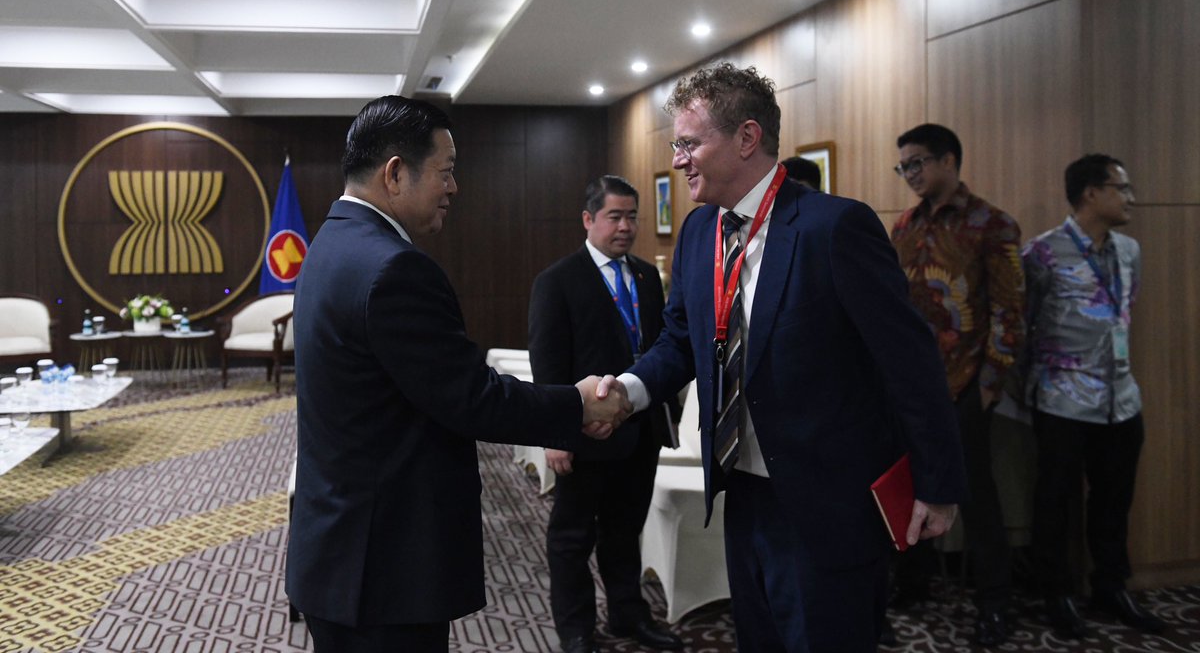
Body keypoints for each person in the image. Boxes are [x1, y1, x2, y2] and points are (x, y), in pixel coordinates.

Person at [614, 62, 968, 653]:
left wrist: (937, 485)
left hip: (827, 503)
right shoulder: (702, 233)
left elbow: (909, 364)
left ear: (747, 138)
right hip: (742, 494)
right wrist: (629, 390)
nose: (678, 159)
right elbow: (680, 340)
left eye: (689, 143)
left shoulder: (834, 229)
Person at [285, 95, 632, 653]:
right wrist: (578, 404)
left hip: (342, 549)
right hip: (383, 567)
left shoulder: (331, 243)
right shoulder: (393, 268)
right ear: (396, 173)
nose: (454, 188)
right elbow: (471, 397)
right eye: (446, 172)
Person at [529, 175, 684, 653]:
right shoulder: (557, 280)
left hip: (642, 429)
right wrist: (555, 434)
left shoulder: (643, 277)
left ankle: (627, 616)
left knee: (625, 531)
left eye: (632, 216)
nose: (625, 227)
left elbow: (661, 346)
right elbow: (549, 364)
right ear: (588, 219)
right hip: (586, 433)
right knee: (572, 537)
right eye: (615, 216)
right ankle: (575, 628)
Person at [889, 123, 1024, 646]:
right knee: (908, 488)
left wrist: (989, 385)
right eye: (904, 167)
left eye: (918, 163)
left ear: (949, 160)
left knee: (977, 497)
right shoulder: (903, 226)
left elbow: (1010, 313)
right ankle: (914, 581)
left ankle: (995, 602)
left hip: (967, 382)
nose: (911, 175)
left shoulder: (992, 224)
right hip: (911, 386)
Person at [1022, 154, 1165, 638]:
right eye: (1121, 189)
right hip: (1063, 400)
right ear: (1090, 194)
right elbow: (1025, 323)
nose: (1130, 198)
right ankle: (1055, 591)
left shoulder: (1129, 250)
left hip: (1122, 400)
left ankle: (1110, 585)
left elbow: (1124, 312)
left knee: (1114, 499)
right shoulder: (1042, 253)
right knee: (1056, 502)